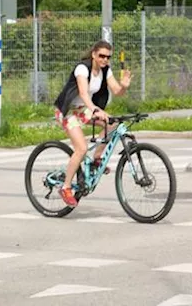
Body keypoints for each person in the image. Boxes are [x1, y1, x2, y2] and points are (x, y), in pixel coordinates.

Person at [51, 40, 132, 207]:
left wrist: (124, 86)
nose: (104, 60)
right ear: (94, 54)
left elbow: (117, 91)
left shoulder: (105, 70)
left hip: (82, 109)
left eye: (108, 57)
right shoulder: (82, 68)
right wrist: (95, 110)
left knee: (111, 124)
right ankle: (66, 187)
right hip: (67, 111)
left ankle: (96, 160)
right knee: (81, 148)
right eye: (101, 56)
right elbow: (83, 92)